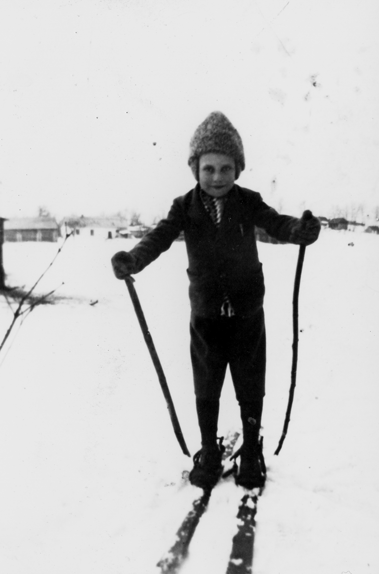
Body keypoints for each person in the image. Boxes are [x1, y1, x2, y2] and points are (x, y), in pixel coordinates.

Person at [111, 112, 320, 490]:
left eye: (226, 168)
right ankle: (209, 449)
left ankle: (252, 451)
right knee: (206, 385)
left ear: (238, 169)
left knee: (249, 382)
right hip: (206, 314)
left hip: (247, 313)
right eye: (209, 168)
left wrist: (299, 230)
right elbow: (158, 238)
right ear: (195, 169)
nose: (217, 177)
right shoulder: (183, 206)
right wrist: (134, 259)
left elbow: (277, 223)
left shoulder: (249, 201)